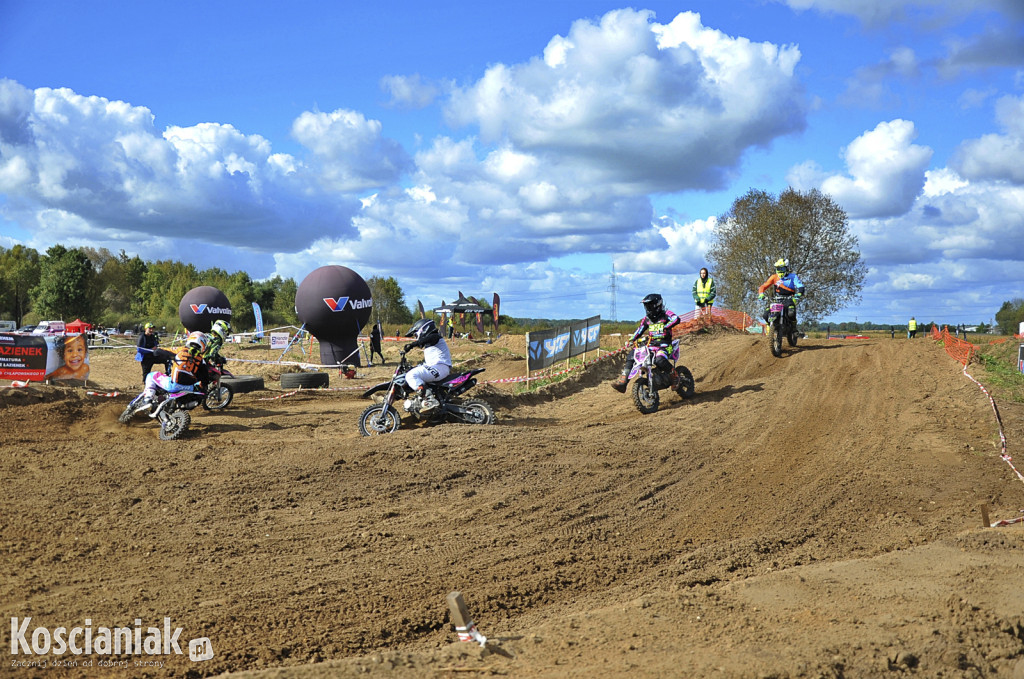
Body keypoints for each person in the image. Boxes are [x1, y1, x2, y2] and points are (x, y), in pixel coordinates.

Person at [612, 293, 681, 393]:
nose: (648, 308)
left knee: (660, 360)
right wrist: (631, 340)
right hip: (651, 346)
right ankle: (623, 381)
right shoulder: (647, 319)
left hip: (665, 346)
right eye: (646, 306)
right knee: (632, 354)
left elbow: (676, 319)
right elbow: (639, 331)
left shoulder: (666, 314)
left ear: (657, 305)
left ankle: (675, 376)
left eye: (650, 305)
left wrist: (666, 326)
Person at [141, 331, 208, 402]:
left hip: (173, 385)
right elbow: (205, 379)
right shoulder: (201, 359)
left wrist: (160, 352)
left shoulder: (180, 350)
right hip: (189, 388)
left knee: (150, 376)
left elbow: (159, 352)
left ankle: (148, 399)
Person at [402, 318, 451, 414]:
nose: (416, 337)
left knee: (411, 375)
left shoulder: (435, 337)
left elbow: (429, 338)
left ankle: (429, 399)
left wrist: (412, 344)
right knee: (413, 371)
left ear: (424, 329)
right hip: (437, 367)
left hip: (440, 368)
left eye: (416, 334)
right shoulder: (430, 344)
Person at [757, 258, 805, 326]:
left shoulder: (793, 276)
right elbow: (763, 286)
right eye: (778, 269)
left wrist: (800, 293)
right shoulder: (774, 277)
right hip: (777, 299)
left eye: (782, 269)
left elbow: (800, 285)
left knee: (791, 313)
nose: (780, 271)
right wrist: (761, 294)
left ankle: (793, 326)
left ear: (787, 268)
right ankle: (770, 326)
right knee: (766, 314)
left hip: (789, 298)